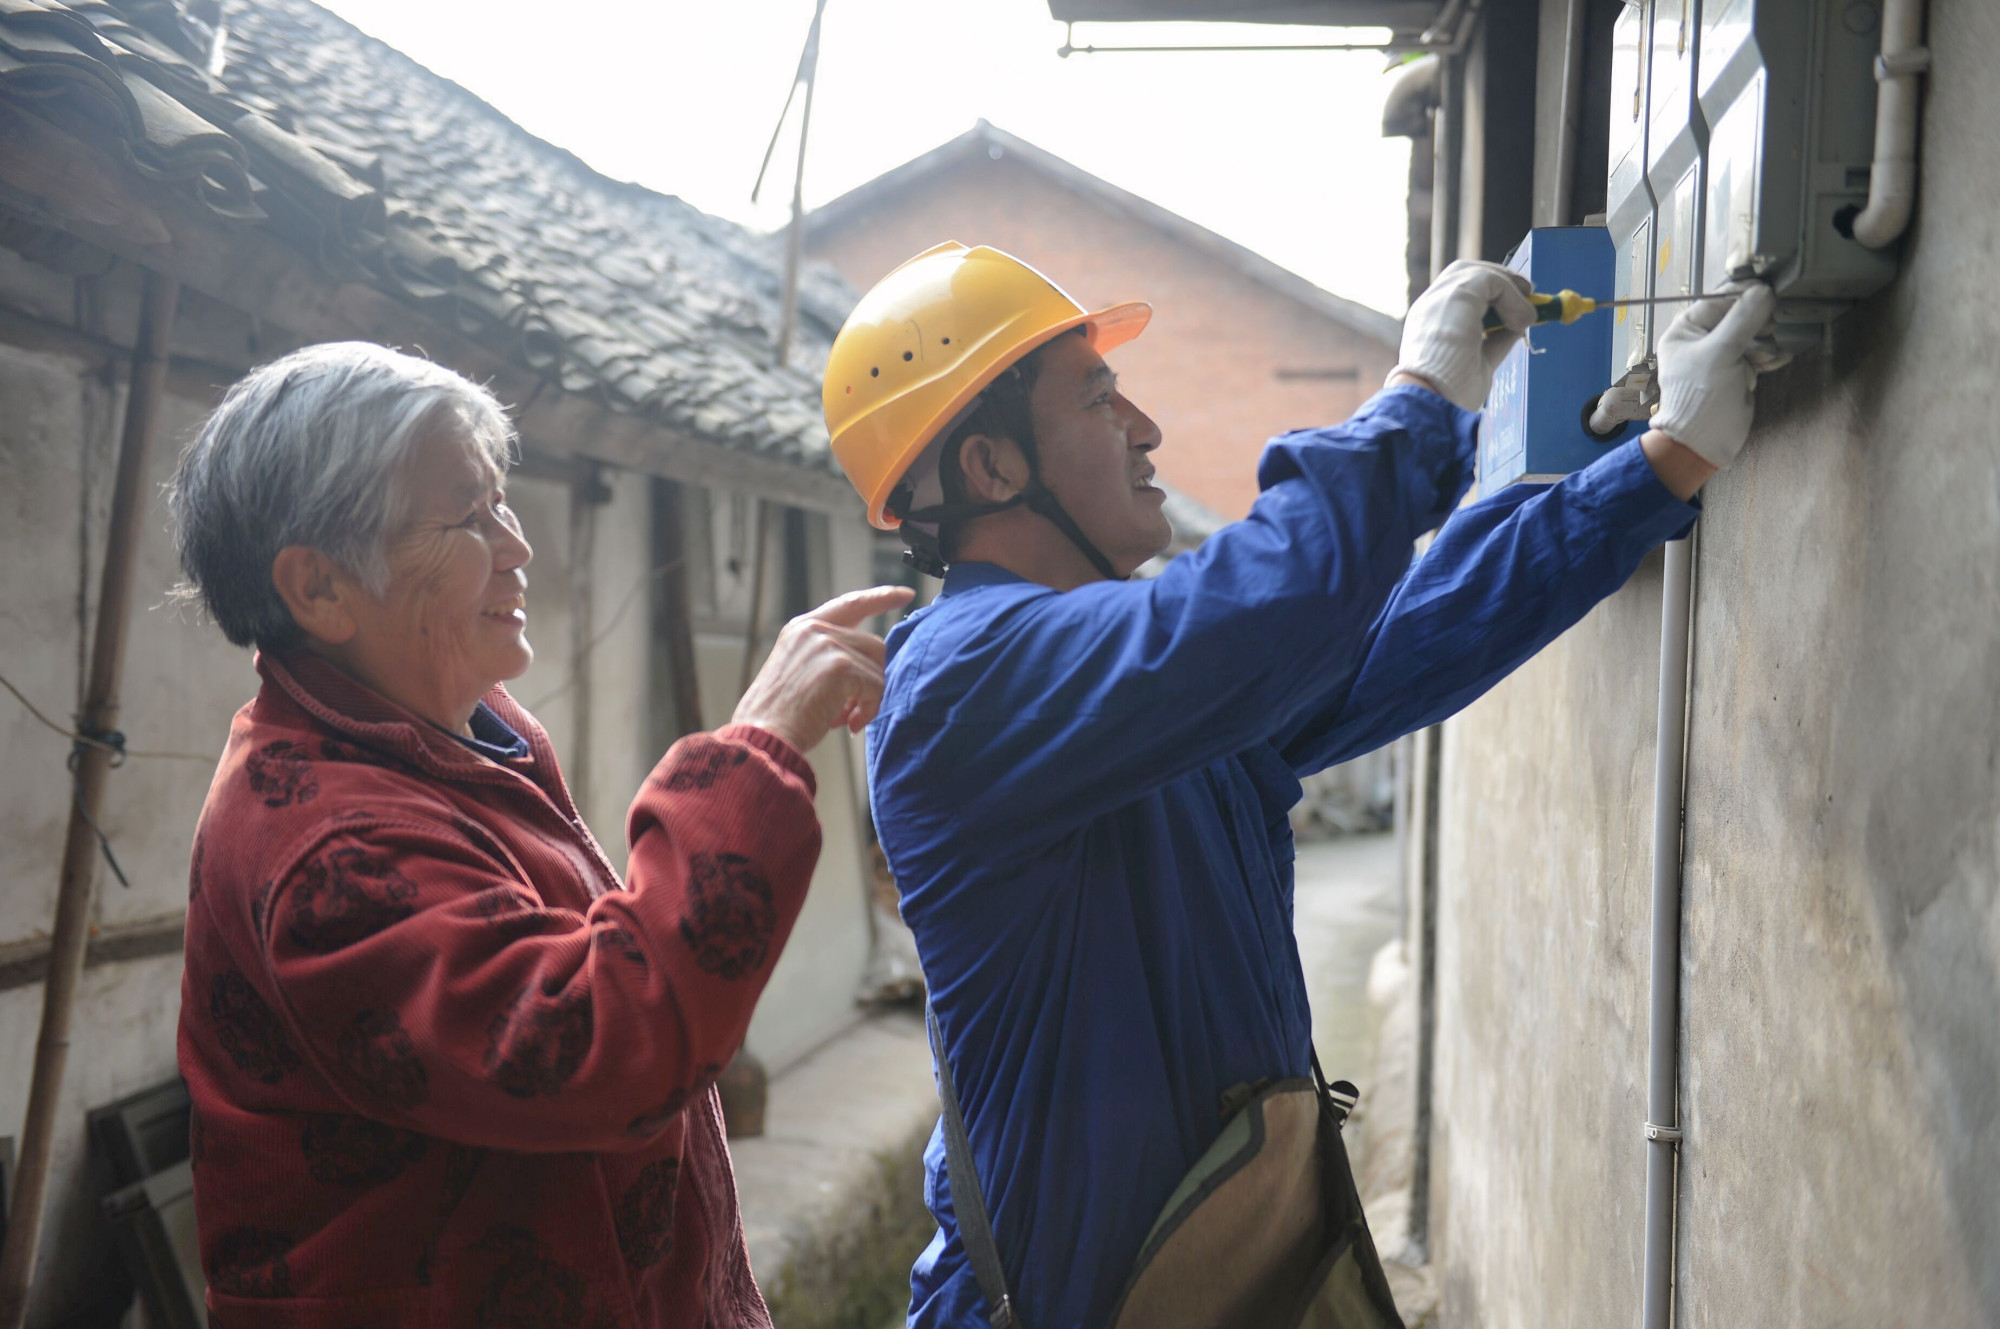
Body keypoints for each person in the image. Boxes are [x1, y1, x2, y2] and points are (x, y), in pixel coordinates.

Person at [825, 243, 1779, 1328]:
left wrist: (1661, 463)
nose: (1144, 430)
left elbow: (1400, 639)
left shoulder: (1138, 691)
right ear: (993, 470)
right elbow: (1260, 610)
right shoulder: (965, 685)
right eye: (1098, 401)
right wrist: (1414, 404)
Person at [168, 341, 911, 1328]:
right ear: (319, 589)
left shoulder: (462, 735)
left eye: (500, 502)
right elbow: (589, 1048)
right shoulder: (326, 846)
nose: (516, 546)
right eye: (466, 518)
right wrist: (759, 747)